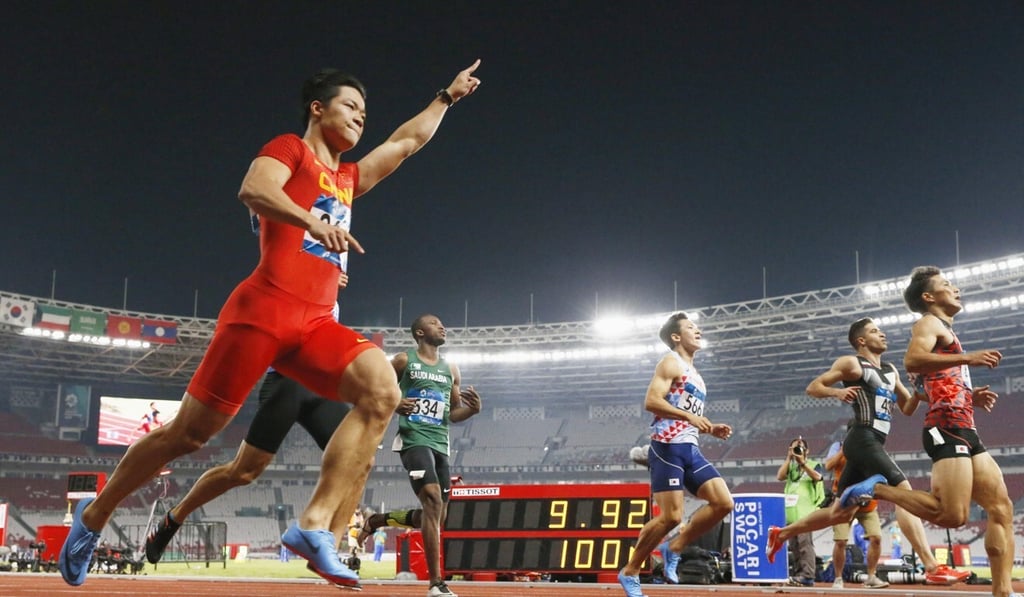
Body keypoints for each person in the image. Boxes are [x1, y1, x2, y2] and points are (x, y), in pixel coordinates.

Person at [58, 60, 483, 588]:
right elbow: (254, 189)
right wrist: (311, 222)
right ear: (317, 108)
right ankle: (95, 514)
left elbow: (405, 143)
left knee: (382, 391)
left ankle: (313, 527)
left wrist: (446, 97)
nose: (360, 117)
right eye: (350, 106)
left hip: (315, 324)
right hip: (261, 313)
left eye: (365, 111)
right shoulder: (290, 149)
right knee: (188, 435)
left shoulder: (348, 179)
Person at [840, 267, 1015, 597]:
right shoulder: (928, 323)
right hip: (945, 427)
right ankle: (877, 488)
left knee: (1001, 508)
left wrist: (969, 395)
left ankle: (1002, 592)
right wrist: (970, 358)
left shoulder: (945, 329)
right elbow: (913, 360)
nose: (956, 289)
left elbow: (933, 381)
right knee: (952, 515)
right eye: (947, 285)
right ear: (929, 297)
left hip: (965, 425)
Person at [143, 305, 352, 564]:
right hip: (285, 384)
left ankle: (325, 544)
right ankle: (174, 518)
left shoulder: (333, 300)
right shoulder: (295, 291)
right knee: (243, 472)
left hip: (321, 385)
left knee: (357, 458)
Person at [766, 317, 966, 586]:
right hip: (862, 438)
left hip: (873, 442)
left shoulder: (891, 370)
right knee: (904, 493)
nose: (882, 334)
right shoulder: (852, 363)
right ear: (861, 341)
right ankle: (931, 566)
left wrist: (920, 391)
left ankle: (780, 534)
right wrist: (837, 393)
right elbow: (813, 387)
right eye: (874, 331)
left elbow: (907, 408)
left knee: (838, 513)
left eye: (880, 330)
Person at [358, 314, 482, 597]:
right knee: (434, 500)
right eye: (434, 323)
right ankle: (436, 583)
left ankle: (377, 521)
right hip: (414, 439)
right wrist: (395, 402)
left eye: (442, 323)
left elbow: (452, 414)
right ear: (419, 333)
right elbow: (374, 389)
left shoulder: (451, 369)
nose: (442, 326)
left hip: (440, 444)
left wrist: (473, 411)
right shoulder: (404, 361)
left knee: (436, 515)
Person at [617, 312, 733, 597]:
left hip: (690, 448)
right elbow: (652, 401)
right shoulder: (670, 362)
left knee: (723, 503)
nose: (698, 331)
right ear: (676, 337)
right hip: (667, 447)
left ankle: (675, 546)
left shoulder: (697, 376)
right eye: (691, 327)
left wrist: (709, 428)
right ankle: (630, 571)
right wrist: (689, 417)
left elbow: (687, 413)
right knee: (671, 517)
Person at [824, 442, 886, 589]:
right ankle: (838, 578)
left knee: (876, 538)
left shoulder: (871, 444)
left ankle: (871, 576)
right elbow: (828, 466)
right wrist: (844, 450)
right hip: (843, 502)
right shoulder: (838, 446)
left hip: (867, 502)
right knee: (841, 541)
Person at [776, 436, 823, 587]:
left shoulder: (814, 465)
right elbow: (780, 476)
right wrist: (789, 458)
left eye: (799, 448)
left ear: (807, 451)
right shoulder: (791, 467)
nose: (797, 450)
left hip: (805, 513)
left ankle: (808, 575)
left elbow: (818, 477)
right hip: (791, 512)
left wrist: (803, 463)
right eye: (794, 448)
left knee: (805, 544)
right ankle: (799, 575)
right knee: (794, 546)